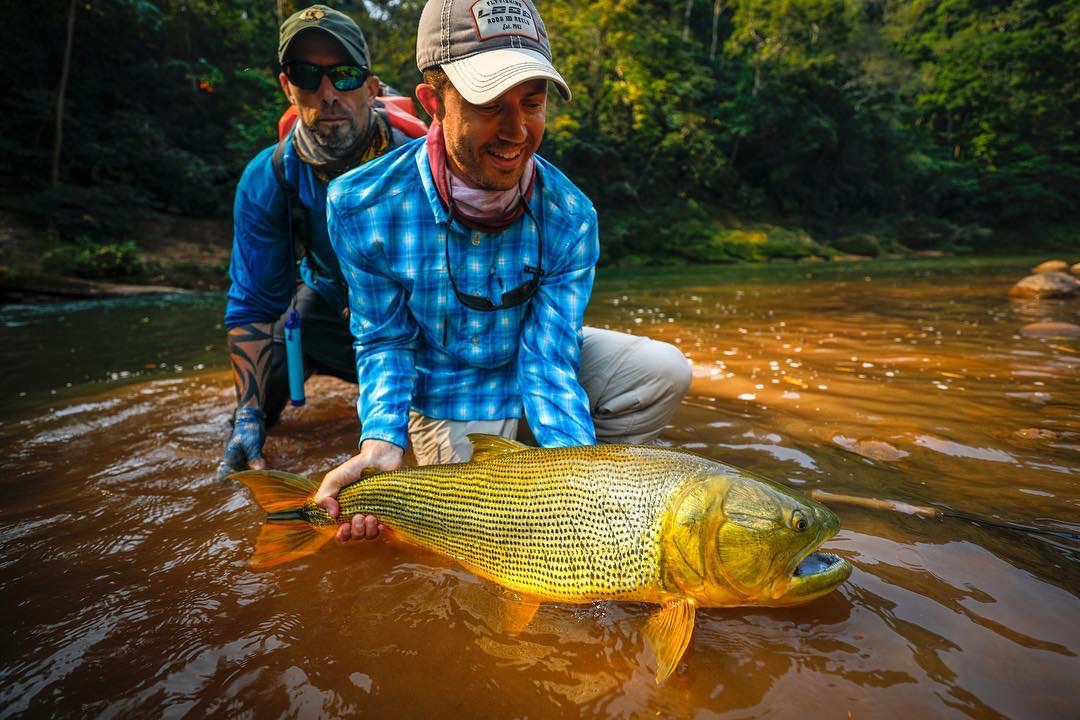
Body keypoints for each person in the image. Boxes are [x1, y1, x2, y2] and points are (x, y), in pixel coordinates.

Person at [316, 0, 692, 540]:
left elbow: (550, 358)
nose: (517, 131)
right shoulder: (360, 206)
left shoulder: (570, 215)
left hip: (527, 362)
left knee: (664, 371)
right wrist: (381, 441)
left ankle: (565, 484)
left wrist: (577, 481)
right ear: (432, 103)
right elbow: (384, 341)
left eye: (532, 103)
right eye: (491, 103)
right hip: (445, 387)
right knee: (486, 537)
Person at [220, 6, 413, 476]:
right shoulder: (271, 176)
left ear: (372, 86)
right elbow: (253, 307)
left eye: (344, 76)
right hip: (326, 314)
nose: (327, 94)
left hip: (413, 319)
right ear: (288, 87)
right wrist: (248, 414)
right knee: (254, 415)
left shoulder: (418, 160)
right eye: (308, 76)